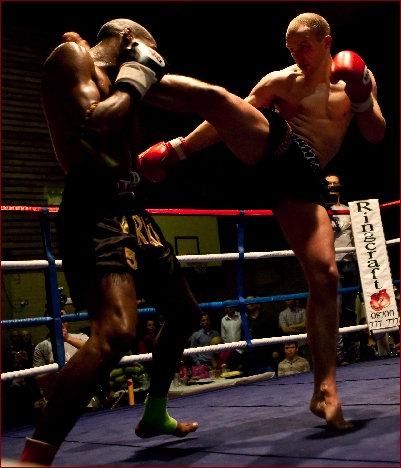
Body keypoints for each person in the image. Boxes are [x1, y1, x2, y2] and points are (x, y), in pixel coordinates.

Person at [135, 12, 386, 430]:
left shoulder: (357, 77)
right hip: (280, 147)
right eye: (291, 49)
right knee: (221, 99)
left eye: (304, 47)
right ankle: (135, 82)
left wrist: (361, 99)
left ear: (326, 42)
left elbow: (376, 134)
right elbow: (229, 117)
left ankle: (325, 389)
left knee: (325, 276)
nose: (297, 56)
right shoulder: (281, 82)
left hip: (303, 181)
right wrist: (179, 150)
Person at [19, 18, 203, 465]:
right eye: (148, 52)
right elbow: (97, 124)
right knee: (116, 332)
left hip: (132, 206)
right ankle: (34, 456)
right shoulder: (71, 58)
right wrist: (137, 74)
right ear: (128, 40)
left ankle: (154, 414)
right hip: (93, 207)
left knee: (184, 314)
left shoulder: (121, 81)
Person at [325, 173, 360, 364]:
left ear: (340, 186)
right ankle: (337, 349)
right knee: (336, 308)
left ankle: (352, 346)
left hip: (350, 261)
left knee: (350, 308)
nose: (332, 187)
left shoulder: (350, 210)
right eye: (328, 184)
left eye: (335, 184)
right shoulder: (321, 210)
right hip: (332, 261)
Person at [33, 309, 89, 406]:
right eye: (55, 316)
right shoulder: (41, 347)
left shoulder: (81, 337)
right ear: (48, 322)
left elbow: (95, 350)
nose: (59, 319)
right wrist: (56, 369)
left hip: (83, 396)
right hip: (55, 399)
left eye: (62, 316)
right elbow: (39, 381)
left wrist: (68, 339)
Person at [278, 298, 311, 366]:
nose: (290, 301)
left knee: (307, 364)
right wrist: (298, 328)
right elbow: (285, 329)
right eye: (288, 300)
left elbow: (305, 325)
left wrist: (291, 327)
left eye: (291, 299)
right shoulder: (282, 314)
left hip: (303, 343)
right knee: (291, 366)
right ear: (285, 301)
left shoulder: (303, 311)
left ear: (295, 300)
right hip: (289, 345)